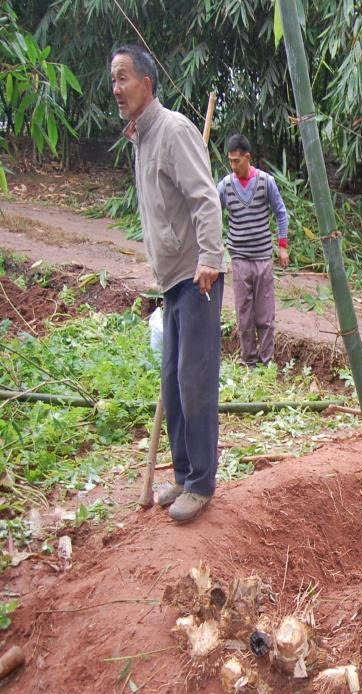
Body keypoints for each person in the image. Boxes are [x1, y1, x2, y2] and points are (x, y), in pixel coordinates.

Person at [110, 44, 225, 522]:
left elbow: (205, 200)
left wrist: (211, 257)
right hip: (171, 280)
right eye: (113, 81)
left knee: (194, 382)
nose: (116, 89)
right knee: (172, 383)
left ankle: (201, 484)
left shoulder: (174, 130)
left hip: (198, 275)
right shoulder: (142, 138)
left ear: (146, 84)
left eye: (123, 78)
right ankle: (181, 474)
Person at [217, 135, 289, 366]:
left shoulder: (266, 182)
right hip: (239, 257)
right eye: (230, 161)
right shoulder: (225, 186)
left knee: (265, 313)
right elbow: (211, 213)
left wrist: (283, 247)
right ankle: (248, 360)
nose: (233, 165)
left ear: (248, 157)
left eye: (237, 160)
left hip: (262, 257)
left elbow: (281, 213)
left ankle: (267, 361)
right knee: (243, 313)